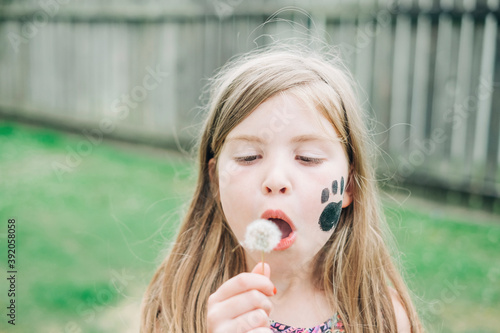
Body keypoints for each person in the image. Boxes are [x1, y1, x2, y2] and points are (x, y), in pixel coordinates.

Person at [140, 43, 424, 333]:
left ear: (349, 185)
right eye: (248, 157)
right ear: (215, 181)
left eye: (307, 158)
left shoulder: (384, 318)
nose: (275, 179)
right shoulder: (180, 310)